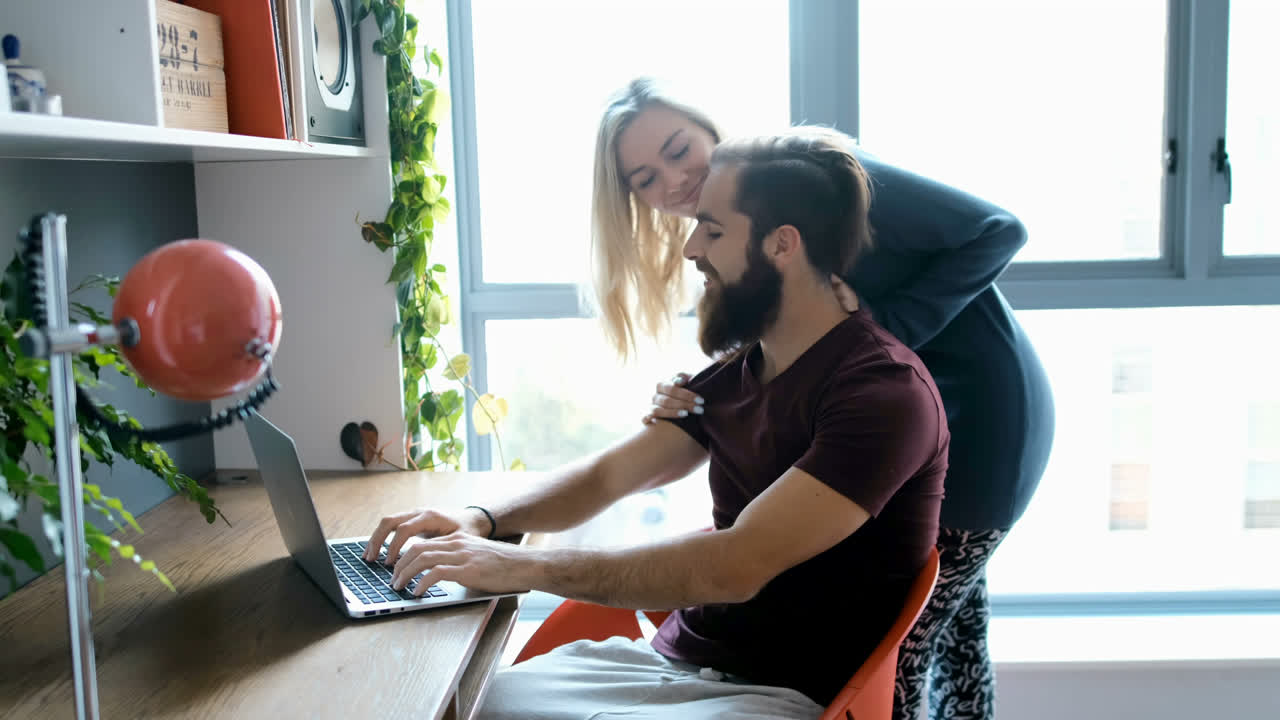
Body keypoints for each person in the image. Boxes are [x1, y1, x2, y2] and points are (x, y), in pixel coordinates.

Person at [364, 128, 949, 719]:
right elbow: (605, 478)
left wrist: (522, 567)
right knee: (444, 706)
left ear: (782, 245)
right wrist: (482, 520)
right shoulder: (739, 372)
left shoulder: (883, 395)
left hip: (783, 693)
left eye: (713, 230)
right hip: (678, 663)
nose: (692, 249)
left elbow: (734, 566)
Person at [594, 77, 1055, 719]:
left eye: (678, 149)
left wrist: (880, 326)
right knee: (957, 646)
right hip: (918, 422)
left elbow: (999, 229)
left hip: (981, 412)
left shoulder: (827, 179)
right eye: (645, 179)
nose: (671, 181)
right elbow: (786, 350)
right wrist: (694, 391)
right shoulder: (740, 228)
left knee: (894, 659)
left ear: (710, 130)